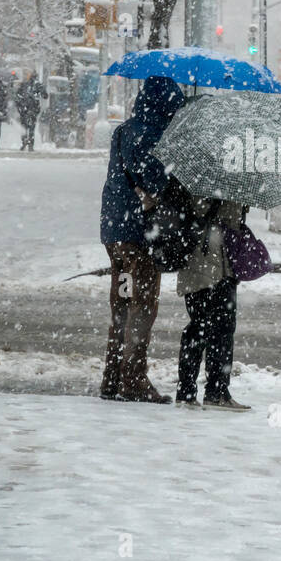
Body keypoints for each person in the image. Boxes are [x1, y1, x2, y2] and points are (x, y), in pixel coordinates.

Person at [98, 75, 185, 404]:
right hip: (140, 236)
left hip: (116, 235)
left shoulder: (124, 130)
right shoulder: (151, 135)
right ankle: (133, 379)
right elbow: (153, 181)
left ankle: (112, 375)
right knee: (142, 306)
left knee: (121, 302)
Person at [176, 196, 250, 410]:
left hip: (195, 262)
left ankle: (186, 392)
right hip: (213, 265)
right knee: (221, 329)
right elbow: (229, 221)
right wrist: (239, 204)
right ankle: (216, 392)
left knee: (198, 327)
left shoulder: (194, 177)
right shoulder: (223, 183)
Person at [15, 71, 47, 151]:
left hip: (24, 109)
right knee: (31, 127)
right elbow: (45, 95)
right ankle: (30, 144)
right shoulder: (38, 85)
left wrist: (19, 106)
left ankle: (24, 142)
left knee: (24, 127)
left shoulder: (24, 84)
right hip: (33, 109)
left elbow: (17, 96)